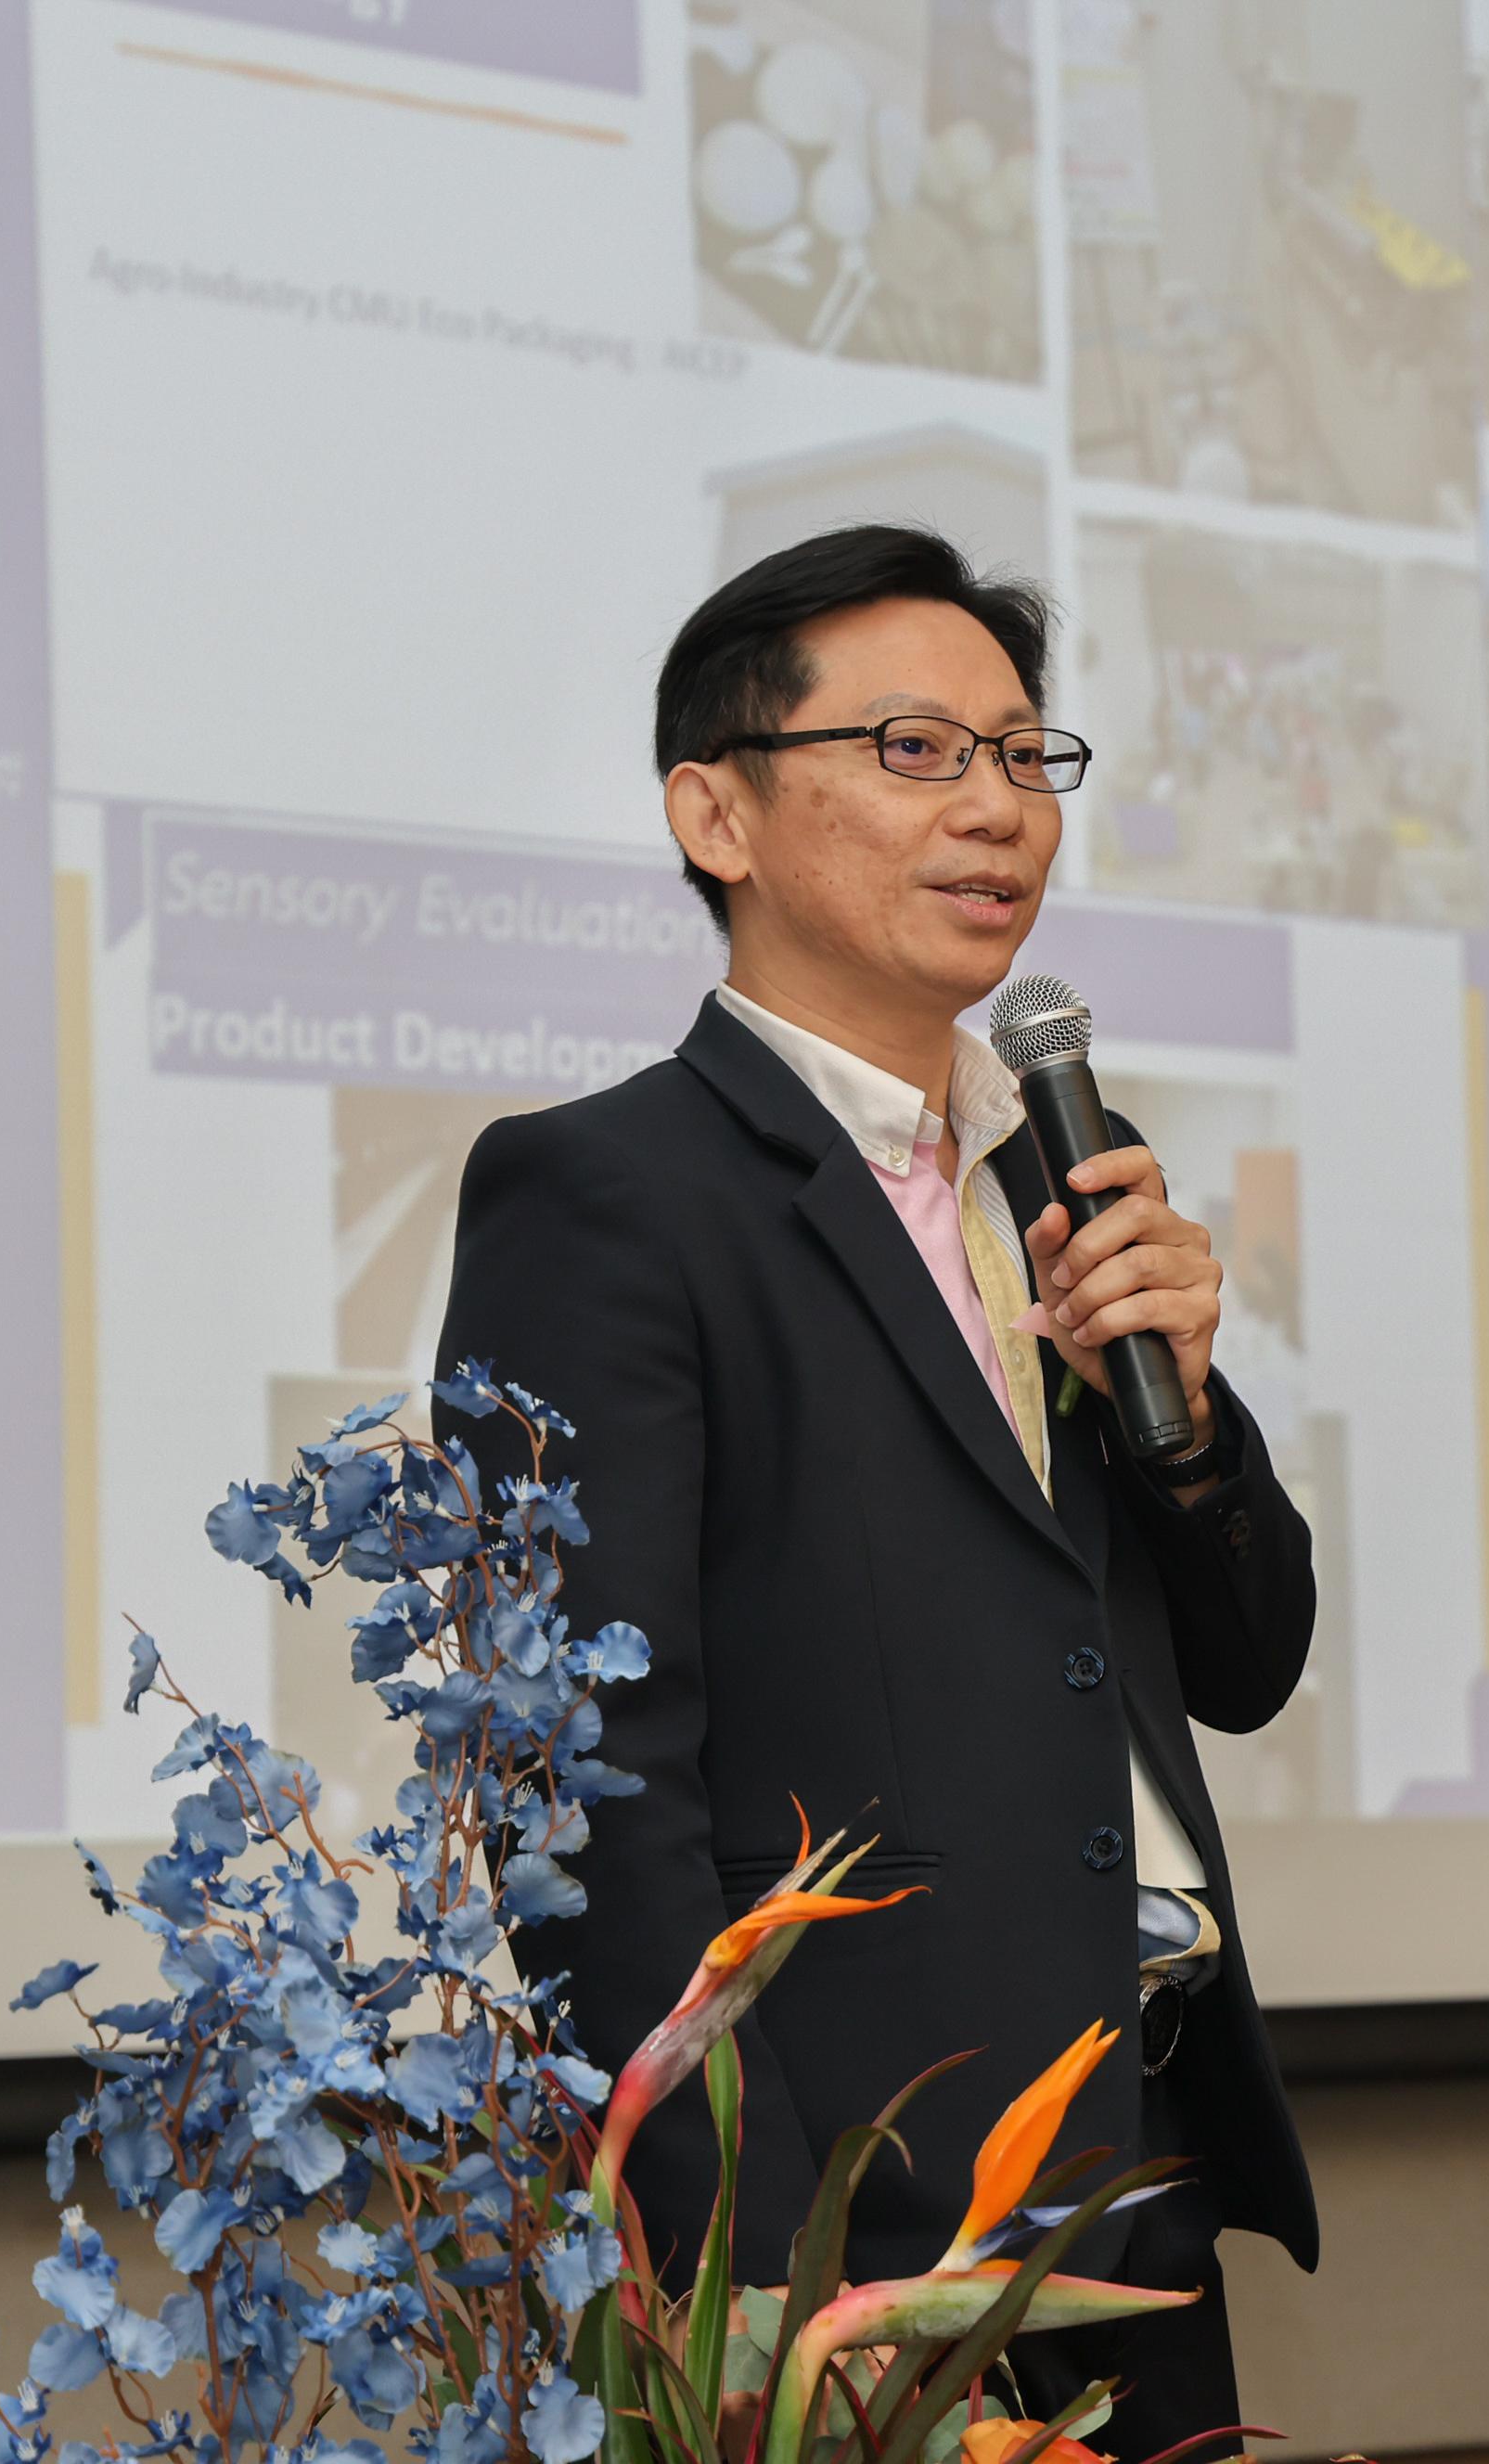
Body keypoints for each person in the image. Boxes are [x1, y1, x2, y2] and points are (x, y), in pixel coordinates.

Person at [436, 524, 1317, 2462]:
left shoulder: (1062, 1170)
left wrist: (1181, 1415)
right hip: (858, 2229)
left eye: (1022, 754)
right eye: (916, 749)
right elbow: (585, 1791)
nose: (996, 807)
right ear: (718, 814)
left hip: (1135, 2176)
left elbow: (1248, 1662)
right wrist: (760, 2278)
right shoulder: (608, 1197)